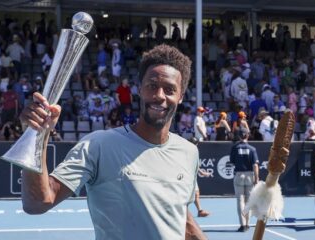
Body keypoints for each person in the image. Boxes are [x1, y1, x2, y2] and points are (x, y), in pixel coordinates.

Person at [19, 44, 207, 239]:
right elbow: (38, 202)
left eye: (169, 89)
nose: (159, 95)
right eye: (152, 86)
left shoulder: (188, 152)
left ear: (181, 96)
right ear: (139, 89)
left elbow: (181, 220)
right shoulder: (98, 145)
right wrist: (35, 136)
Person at [229, 127, 259, 232]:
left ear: (239, 136)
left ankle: (242, 225)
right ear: (247, 135)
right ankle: (247, 224)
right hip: (250, 175)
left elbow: (232, 161)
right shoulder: (252, 149)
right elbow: (255, 165)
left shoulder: (235, 147)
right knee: (248, 201)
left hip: (239, 174)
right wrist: (257, 178)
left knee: (240, 200)